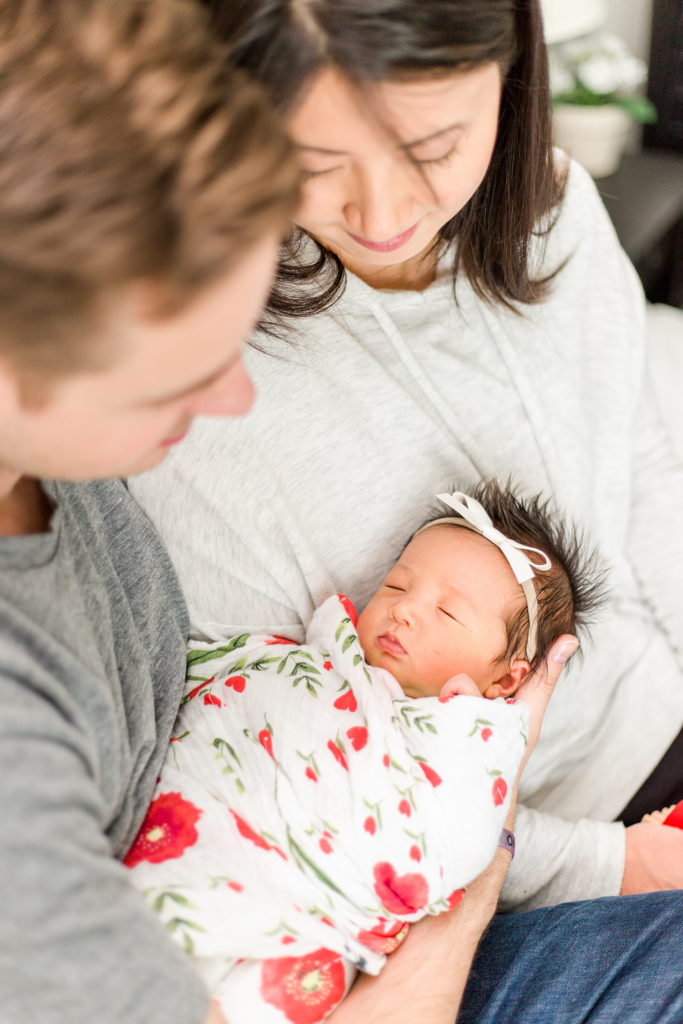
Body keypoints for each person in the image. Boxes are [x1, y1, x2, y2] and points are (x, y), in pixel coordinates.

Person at [1, 3, 681, 1024]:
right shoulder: (187, 374)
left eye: (433, 144)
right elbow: (317, 774)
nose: (379, 208)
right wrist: (542, 854)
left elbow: (640, 465)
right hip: (421, 887)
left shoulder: (549, 204)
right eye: (313, 159)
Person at [125, 481, 605, 1024]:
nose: (405, 612)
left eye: (447, 613)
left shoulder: (463, 745)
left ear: (505, 679)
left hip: (296, 933)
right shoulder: (318, 661)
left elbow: (455, 840)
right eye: (398, 586)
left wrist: (474, 732)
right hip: (185, 850)